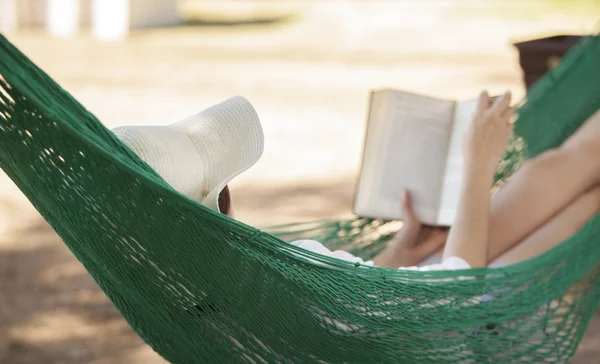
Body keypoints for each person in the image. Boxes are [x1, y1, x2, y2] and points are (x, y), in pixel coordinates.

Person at [112, 94, 600, 271]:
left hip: (415, 288)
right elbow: (457, 290)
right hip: (453, 321)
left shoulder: (228, 273)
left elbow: (350, 309)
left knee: (574, 187)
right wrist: (478, 164)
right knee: (580, 198)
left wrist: (402, 251)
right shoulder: (256, 275)